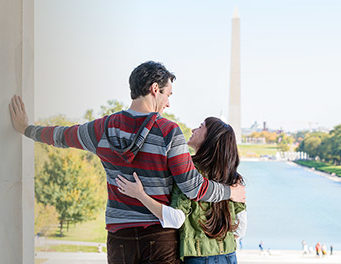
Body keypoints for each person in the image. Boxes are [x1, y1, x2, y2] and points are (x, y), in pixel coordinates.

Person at [9, 61, 245, 264]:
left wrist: (26, 129)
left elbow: (61, 136)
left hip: (119, 238)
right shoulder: (169, 132)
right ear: (154, 89)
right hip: (159, 237)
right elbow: (194, 187)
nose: (169, 103)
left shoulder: (101, 129)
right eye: (168, 94)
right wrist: (229, 192)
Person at [116, 117, 247, 263]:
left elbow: (176, 219)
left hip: (199, 258)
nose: (193, 130)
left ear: (210, 138)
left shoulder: (188, 171)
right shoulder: (233, 177)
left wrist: (139, 195)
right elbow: (241, 228)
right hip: (229, 256)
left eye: (200, 126)